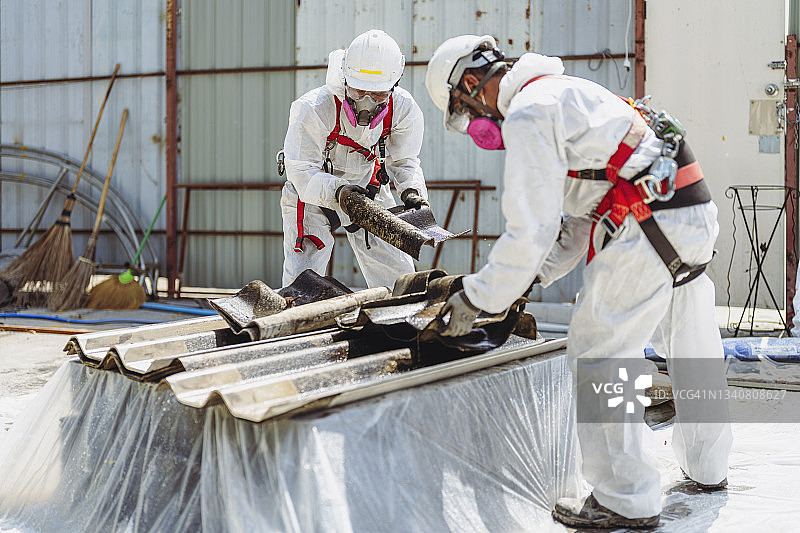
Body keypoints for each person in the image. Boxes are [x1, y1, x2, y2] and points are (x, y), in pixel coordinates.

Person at [425, 35, 732, 529]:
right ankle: (709, 467)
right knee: (693, 347)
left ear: (471, 83)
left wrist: (478, 298)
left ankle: (625, 498)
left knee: (601, 355)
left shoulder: (528, 113)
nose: (474, 124)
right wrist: (530, 279)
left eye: (462, 111)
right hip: (687, 211)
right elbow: (581, 221)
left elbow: (530, 231)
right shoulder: (566, 92)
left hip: (645, 224)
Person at [279, 29, 429, 290]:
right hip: (312, 193)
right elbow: (302, 171)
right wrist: (338, 192)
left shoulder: (403, 108)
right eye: (359, 92)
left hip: (367, 190)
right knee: (302, 285)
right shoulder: (315, 107)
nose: (366, 104)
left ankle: (396, 316)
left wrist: (412, 191)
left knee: (399, 279)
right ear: (345, 79)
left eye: (378, 95)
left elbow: (405, 161)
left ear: (394, 85)